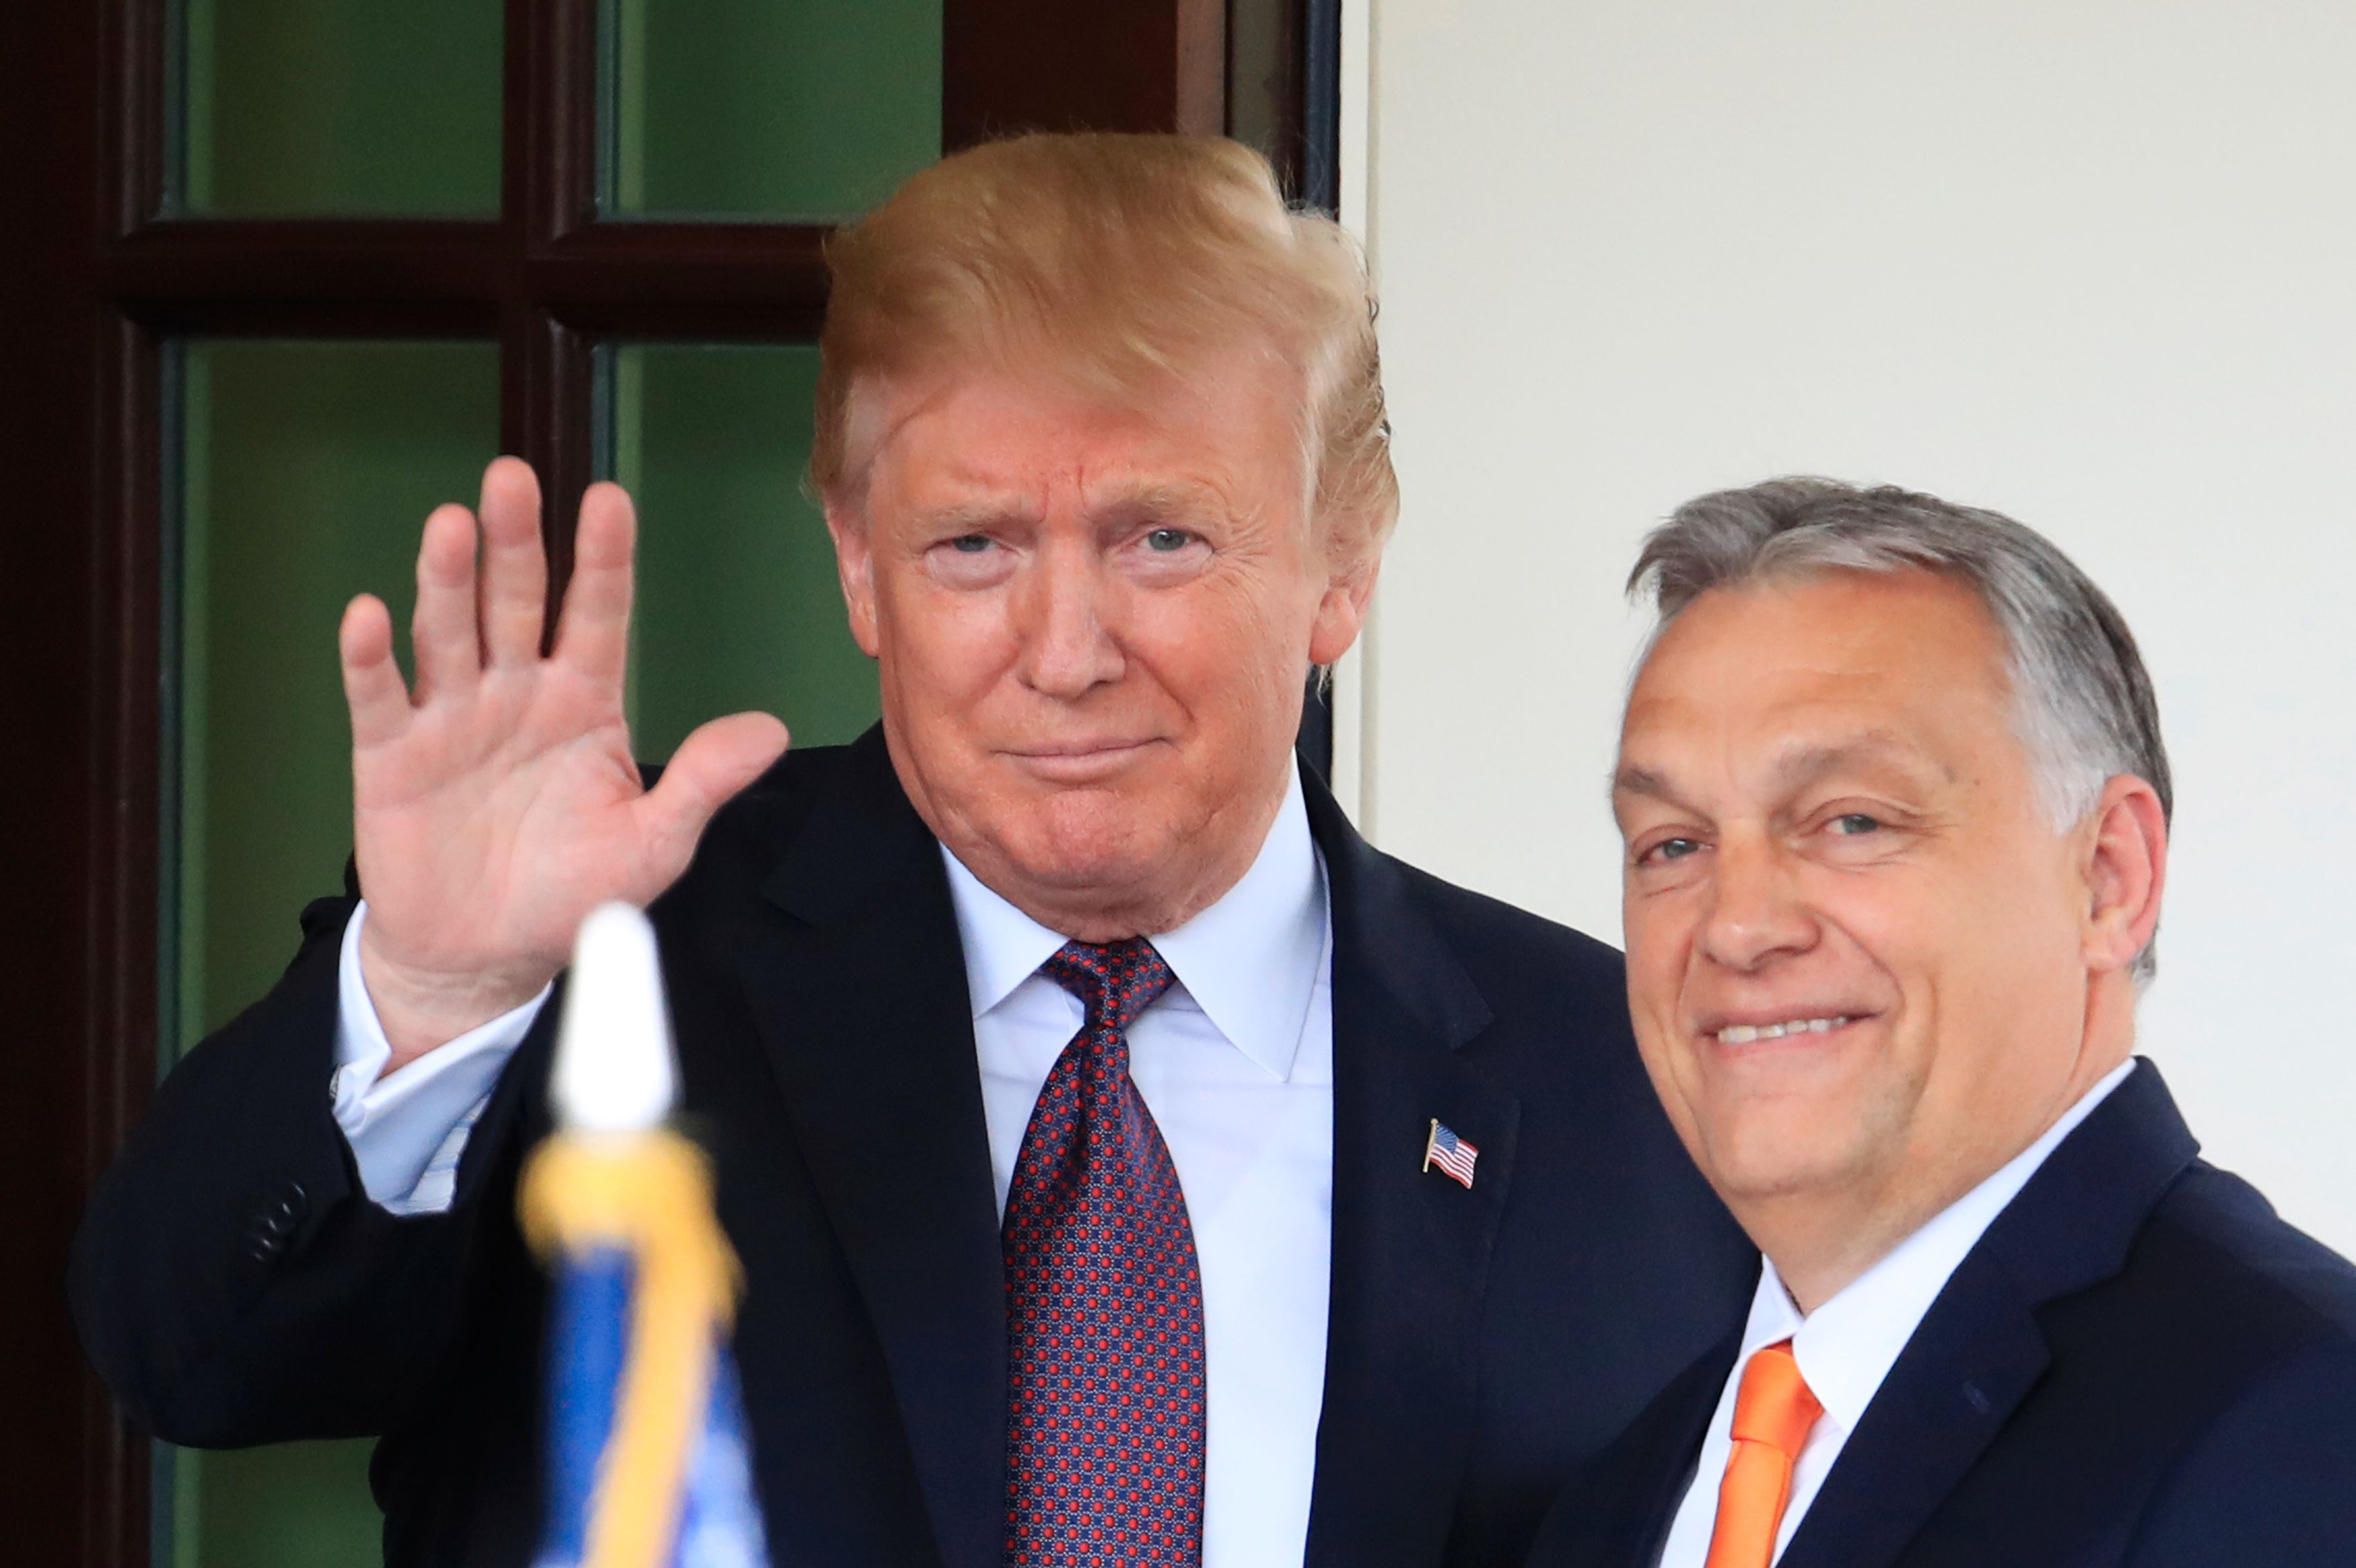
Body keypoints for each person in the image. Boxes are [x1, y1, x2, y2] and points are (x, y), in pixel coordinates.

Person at [71, 135, 1754, 1568]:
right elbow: (194, 1365)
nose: (1066, 645)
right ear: (856, 565)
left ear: (1341, 563)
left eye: (1161, 536)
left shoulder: (1629, 1082)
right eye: (972, 545)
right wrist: (437, 990)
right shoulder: (603, 964)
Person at [1528, 478, 2356, 1568]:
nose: (1736, 925)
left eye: (1852, 819)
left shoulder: (2307, 1425)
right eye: (1673, 844)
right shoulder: (1618, 1497)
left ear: (2109, 878)